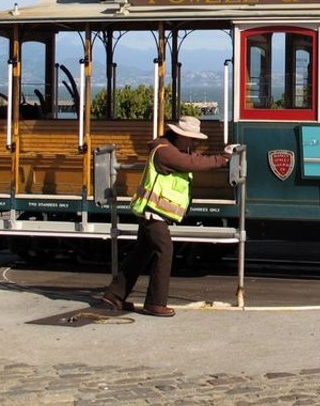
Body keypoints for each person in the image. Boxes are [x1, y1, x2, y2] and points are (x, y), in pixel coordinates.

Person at [99, 115, 231, 317]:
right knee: (165, 251)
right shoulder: (166, 153)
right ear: (179, 136)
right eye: (191, 138)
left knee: (141, 254)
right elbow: (191, 163)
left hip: (152, 212)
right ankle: (155, 303)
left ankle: (114, 296)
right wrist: (223, 158)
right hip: (154, 212)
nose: (194, 142)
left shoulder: (168, 149)